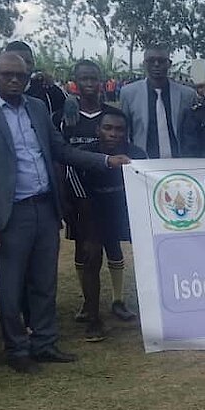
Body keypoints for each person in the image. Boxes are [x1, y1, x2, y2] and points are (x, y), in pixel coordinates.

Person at [0, 52, 131, 373]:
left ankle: (45, 343)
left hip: (45, 207)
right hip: (9, 215)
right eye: (7, 74)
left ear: (28, 77)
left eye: (21, 75)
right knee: (11, 286)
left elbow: (61, 150)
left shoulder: (37, 108)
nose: (15, 80)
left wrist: (106, 161)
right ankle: (17, 349)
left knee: (44, 281)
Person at [70, 108, 147, 342]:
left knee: (141, 253)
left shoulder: (137, 155)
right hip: (90, 210)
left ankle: (124, 303)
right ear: (98, 130)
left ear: (126, 133)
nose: (114, 134)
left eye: (119, 129)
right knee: (92, 255)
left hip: (123, 210)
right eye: (108, 128)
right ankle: (93, 317)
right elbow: (76, 189)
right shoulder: (84, 155)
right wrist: (86, 224)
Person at [57, 59, 116, 321]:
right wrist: (62, 193)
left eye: (94, 78)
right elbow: (58, 156)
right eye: (84, 79)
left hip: (109, 193)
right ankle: (87, 302)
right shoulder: (63, 117)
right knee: (83, 246)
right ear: (75, 82)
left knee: (113, 244)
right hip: (76, 194)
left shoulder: (112, 115)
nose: (90, 83)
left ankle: (118, 300)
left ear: (102, 81)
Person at [119, 45, 196, 159]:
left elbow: (191, 131)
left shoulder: (187, 94)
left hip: (179, 161)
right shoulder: (128, 93)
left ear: (169, 64)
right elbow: (125, 130)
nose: (156, 64)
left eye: (161, 61)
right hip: (143, 161)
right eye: (151, 61)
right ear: (144, 64)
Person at [4, 41, 69, 117]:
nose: (23, 66)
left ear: (33, 63)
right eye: (17, 61)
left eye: (28, 62)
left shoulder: (49, 90)